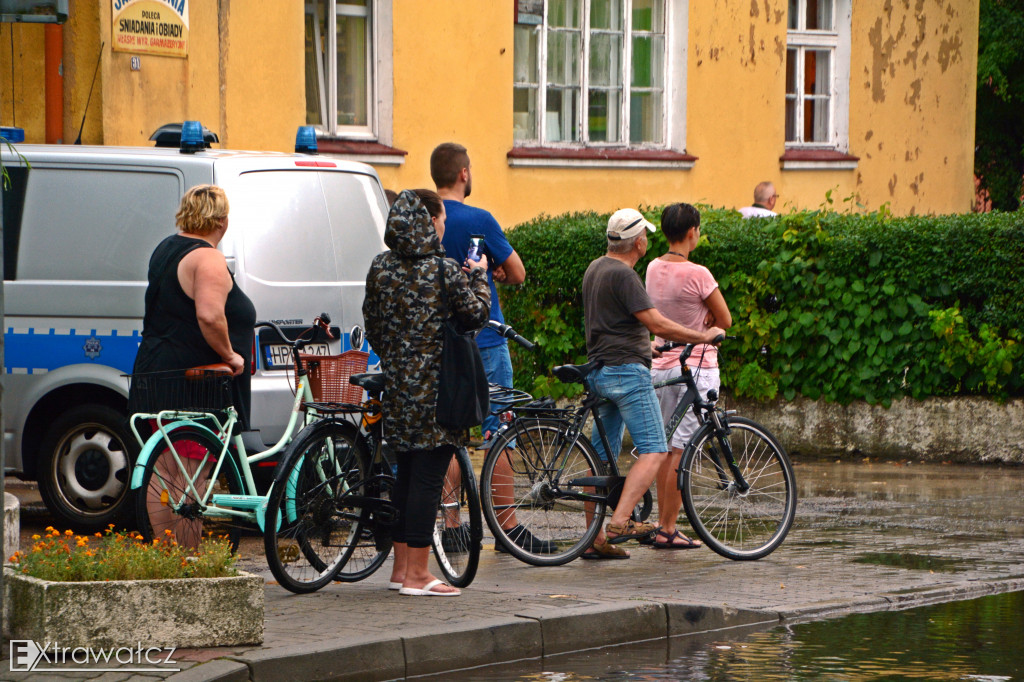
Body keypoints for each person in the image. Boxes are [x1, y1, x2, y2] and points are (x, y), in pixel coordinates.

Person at [363, 189, 490, 597]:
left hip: (399, 389)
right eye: (441, 221)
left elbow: (374, 327)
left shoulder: (380, 267)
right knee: (428, 480)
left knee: (404, 477)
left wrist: (400, 360)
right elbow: (475, 316)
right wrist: (480, 275)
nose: (443, 227)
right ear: (429, 221)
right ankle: (419, 575)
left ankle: (402, 569)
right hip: (440, 390)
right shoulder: (445, 269)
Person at [580, 208, 724, 560]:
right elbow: (658, 323)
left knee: (601, 456)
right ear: (639, 242)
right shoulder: (625, 275)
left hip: (600, 368)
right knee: (656, 450)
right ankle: (620, 521)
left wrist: (648, 346)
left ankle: (594, 539)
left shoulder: (596, 268)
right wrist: (701, 335)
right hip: (626, 373)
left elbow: (613, 324)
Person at [430, 142, 553, 554]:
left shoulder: (427, 219)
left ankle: (452, 525)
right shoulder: (479, 219)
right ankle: (508, 528)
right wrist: (493, 272)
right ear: (464, 173)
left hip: (440, 343)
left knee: (447, 434)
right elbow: (516, 272)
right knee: (499, 430)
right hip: (484, 340)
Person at [644, 203, 732, 549]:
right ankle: (668, 527)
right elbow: (724, 318)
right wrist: (708, 319)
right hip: (695, 365)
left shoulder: (652, 267)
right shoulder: (699, 274)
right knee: (681, 451)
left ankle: (665, 523)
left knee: (664, 448)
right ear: (692, 231)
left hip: (661, 366)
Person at [130, 184, 256, 426]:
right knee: (193, 461)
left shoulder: (166, 247)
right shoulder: (208, 258)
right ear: (221, 221)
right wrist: (230, 355)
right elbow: (209, 316)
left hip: (157, 370)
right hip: (194, 385)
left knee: (167, 457)